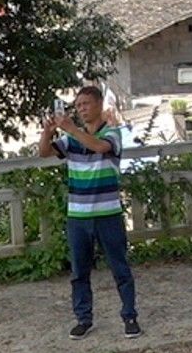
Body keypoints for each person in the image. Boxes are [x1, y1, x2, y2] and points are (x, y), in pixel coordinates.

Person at [39, 85, 141, 339]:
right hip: (78, 216)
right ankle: (83, 318)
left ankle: (129, 315)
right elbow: (44, 153)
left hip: (108, 214)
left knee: (120, 268)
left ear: (97, 105)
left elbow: (99, 147)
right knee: (79, 272)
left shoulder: (113, 133)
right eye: (78, 106)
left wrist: (70, 128)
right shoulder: (71, 140)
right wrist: (48, 132)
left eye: (86, 104)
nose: (81, 109)